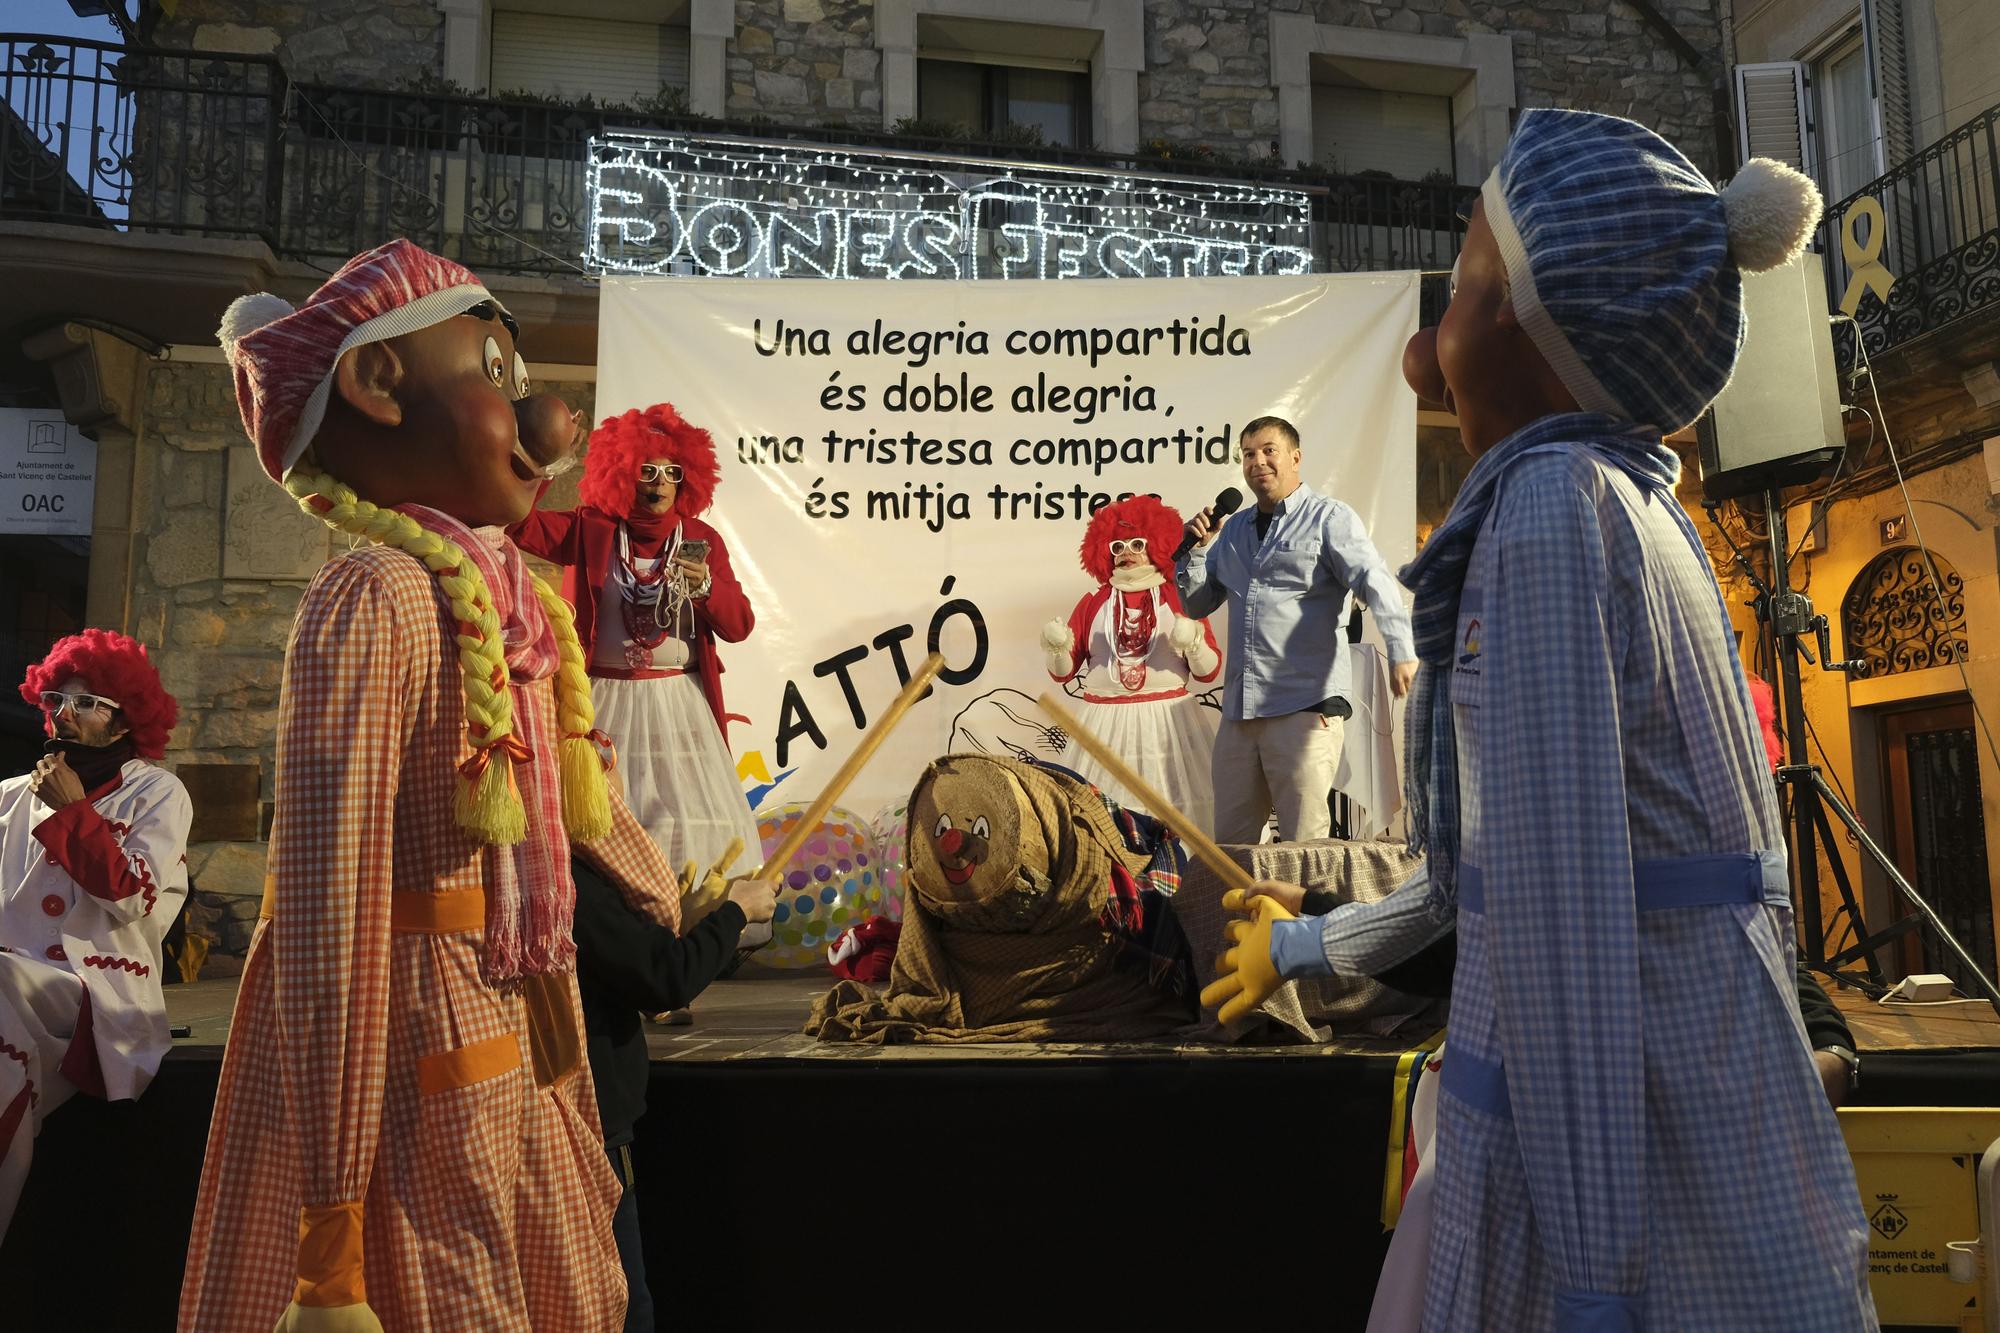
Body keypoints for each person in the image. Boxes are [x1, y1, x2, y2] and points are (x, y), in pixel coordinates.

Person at [1203, 110, 1876, 1328]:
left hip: (1605, 1159)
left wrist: (1594, 1280)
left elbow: (1563, 926)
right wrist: (1303, 945)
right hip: (1649, 1110)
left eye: (1461, 288)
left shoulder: (1552, 515)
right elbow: (1503, 884)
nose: (1425, 350)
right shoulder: (1622, 501)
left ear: (1536, 318)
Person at [181, 240, 687, 1332]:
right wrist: (329, 1233)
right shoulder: (373, 597)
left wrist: (658, 892)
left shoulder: (503, 596)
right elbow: (329, 907)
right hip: (406, 1060)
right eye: (498, 376)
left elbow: (572, 811)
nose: (551, 421)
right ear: (375, 385)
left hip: (513, 1020)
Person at [511, 404, 760, 938]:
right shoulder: (590, 528)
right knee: (608, 824)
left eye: (673, 472)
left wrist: (708, 590)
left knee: (684, 821)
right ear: (621, 472)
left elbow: (740, 626)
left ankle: (683, 944)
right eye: (647, 470)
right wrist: (549, 458)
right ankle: (620, 944)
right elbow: (519, 524)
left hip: (678, 703)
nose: (661, 483)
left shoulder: (702, 541)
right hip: (603, 702)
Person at [0, 630, 190, 1239]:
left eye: (86, 702)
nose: (63, 712)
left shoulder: (157, 792)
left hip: (90, 993)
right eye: (55, 698)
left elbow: (136, 897)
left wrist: (73, 812)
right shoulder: (7, 798)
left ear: (125, 716)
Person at [1177, 416, 1416, 843]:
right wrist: (1194, 554)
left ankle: (1302, 915)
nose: (1258, 461)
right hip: (1241, 713)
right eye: (1248, 453)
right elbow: (1196, 604)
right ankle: (1235, 914)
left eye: (1269, 450)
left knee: (1304, 846)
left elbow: (1374, 581)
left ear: (1295, 457)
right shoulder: (1232, 530)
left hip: (1304, 708)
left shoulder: (1329, 518)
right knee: (1231, 849)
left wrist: (1402, 649)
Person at [572, 843, 775, 1331]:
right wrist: (736, 912)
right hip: (591, 1122)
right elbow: (665, 976)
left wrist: (701, 917)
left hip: (589, 1112)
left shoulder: (567, 871)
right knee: (623, 1304)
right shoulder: (570, 877)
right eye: (602, 765)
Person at [1040, 493, 1222, 829]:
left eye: (1137, 544)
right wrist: (1056, 648)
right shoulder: (1093, 603)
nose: (1127, 553)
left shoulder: (1177, 595)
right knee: (1098, 820)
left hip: (1168, 725)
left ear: (1156, 545)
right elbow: (1062, 674)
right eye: (1118, 547)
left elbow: (1208, 671)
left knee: (1178, 817)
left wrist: (1194, 643)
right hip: (1103, 726)